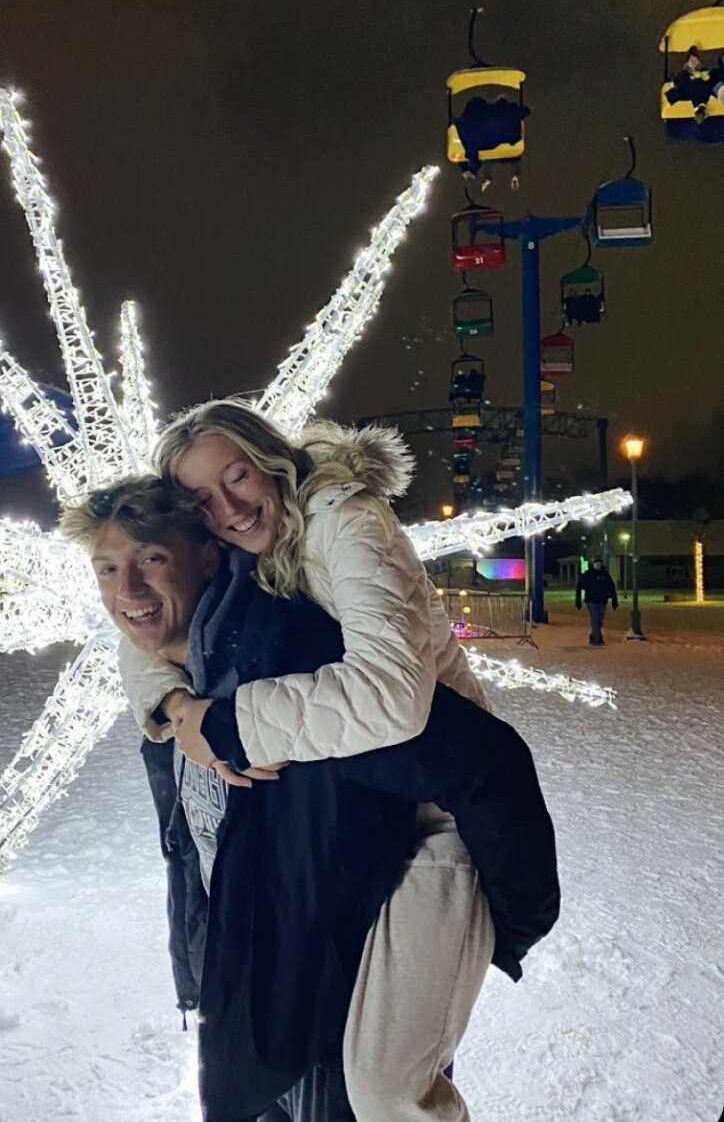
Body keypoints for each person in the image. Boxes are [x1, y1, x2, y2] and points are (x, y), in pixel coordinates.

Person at [66, 475, 559, 1122]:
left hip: (325, 1013)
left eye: (151, 560)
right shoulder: (175, 673)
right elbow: (197, 841)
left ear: (211, 556)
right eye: (108, 569)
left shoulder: (290, 660)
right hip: (250, 1007)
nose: (126, 590)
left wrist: (513, 917)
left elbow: (480, 759)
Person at [576, 556, 618, 646]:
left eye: (599, 563)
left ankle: (593, 636)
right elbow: (579, 587)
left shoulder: (605, 575)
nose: (598, 565)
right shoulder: (588, 574)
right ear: (593, 564)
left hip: (602, 601)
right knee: (595, 619)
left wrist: (614, 600)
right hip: (591, 601)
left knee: (599, 620)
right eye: (596, 563)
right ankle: (597, 639)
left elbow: (612, 587)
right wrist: (578, 600)